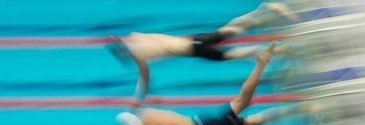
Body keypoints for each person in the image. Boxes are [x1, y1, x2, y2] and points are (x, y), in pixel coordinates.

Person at [96, 43, 311, 125]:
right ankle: (297, 109)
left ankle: (262, 63)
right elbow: (145, 74)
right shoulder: (138, 107)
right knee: (250, 122)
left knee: (243, 103)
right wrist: (133, 54)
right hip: (202, 123)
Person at [107, 2, 297, 65]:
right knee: (230, 31)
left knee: (230, 50)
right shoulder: (141, 39)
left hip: (194, 48)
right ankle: (265, 15)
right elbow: (133, 35)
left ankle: (267, 15)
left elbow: (137, 59)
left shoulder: (142, 54)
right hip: (193, 41)